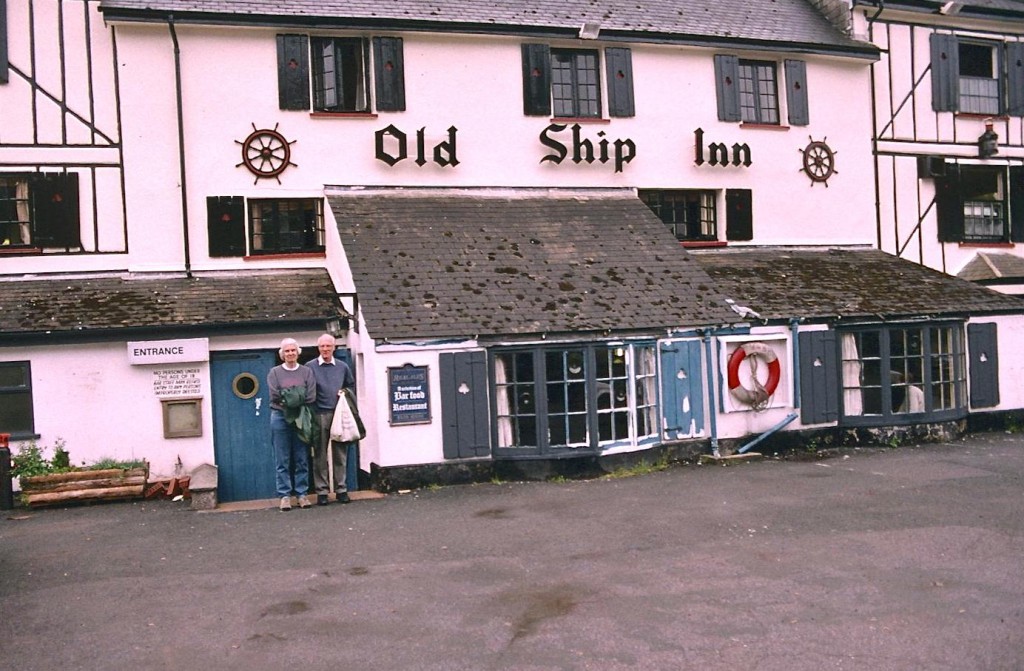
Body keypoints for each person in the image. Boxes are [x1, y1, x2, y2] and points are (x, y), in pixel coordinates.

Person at [306, 333, 356, 505]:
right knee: (319, 454)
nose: (325, 349)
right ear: (318, 348)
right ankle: (322, 492)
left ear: (334, 347)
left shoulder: (342, 367)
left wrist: (345, 392)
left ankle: (341, 489)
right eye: (322, 346)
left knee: (340, 453)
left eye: (328, 346)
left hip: (339, 414)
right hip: (319, 414)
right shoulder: (310, 366)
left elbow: (350, 385)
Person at [267, 337, 316, 511]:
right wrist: (297, 395)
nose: (290, 353)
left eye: (293, 350)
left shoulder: (306, 372)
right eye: (287, 351)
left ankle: (302, 494)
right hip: (280, 417)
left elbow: (310, 396)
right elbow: (274, 396)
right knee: (282, 458)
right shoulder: (274, 373)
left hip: (301, 417)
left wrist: (288, 395)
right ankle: (285, 496)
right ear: (282, 354)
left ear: (298, 352)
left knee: (301, 456)